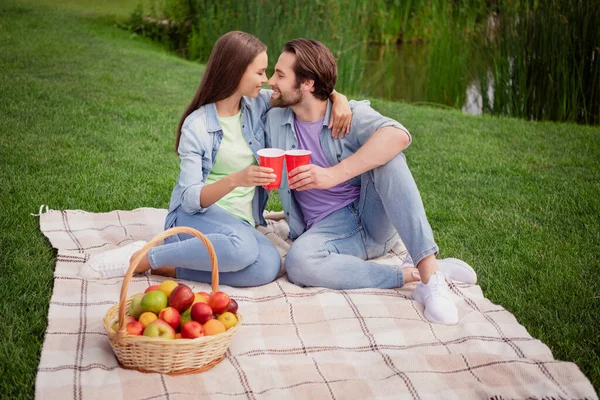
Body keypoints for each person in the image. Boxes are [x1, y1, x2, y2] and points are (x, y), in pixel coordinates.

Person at [79, 31, 355, 287]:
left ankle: (172, 269)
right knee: (244, 249)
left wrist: (335, 96)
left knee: (268, 267)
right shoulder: (197, 125)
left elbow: (303, 89)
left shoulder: (256, 106)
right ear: (236, 71)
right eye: (259, 71)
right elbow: (189, 198)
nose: (266, 79)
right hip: (195, 215)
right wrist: (237, 179)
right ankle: (147, 255)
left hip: (240, 223)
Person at [264, 39, 477, 324]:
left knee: (389, 157)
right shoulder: (274, 115)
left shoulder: (347, 115)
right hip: (330, 232)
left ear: (307, 84)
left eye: (279, 74)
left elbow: (398, 135)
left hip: (372, 218)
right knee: (298, 263)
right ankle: (413, 274)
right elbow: (240, 93)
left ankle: (430, 274)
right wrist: (334, 94)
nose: (270, 81)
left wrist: (331, 175)